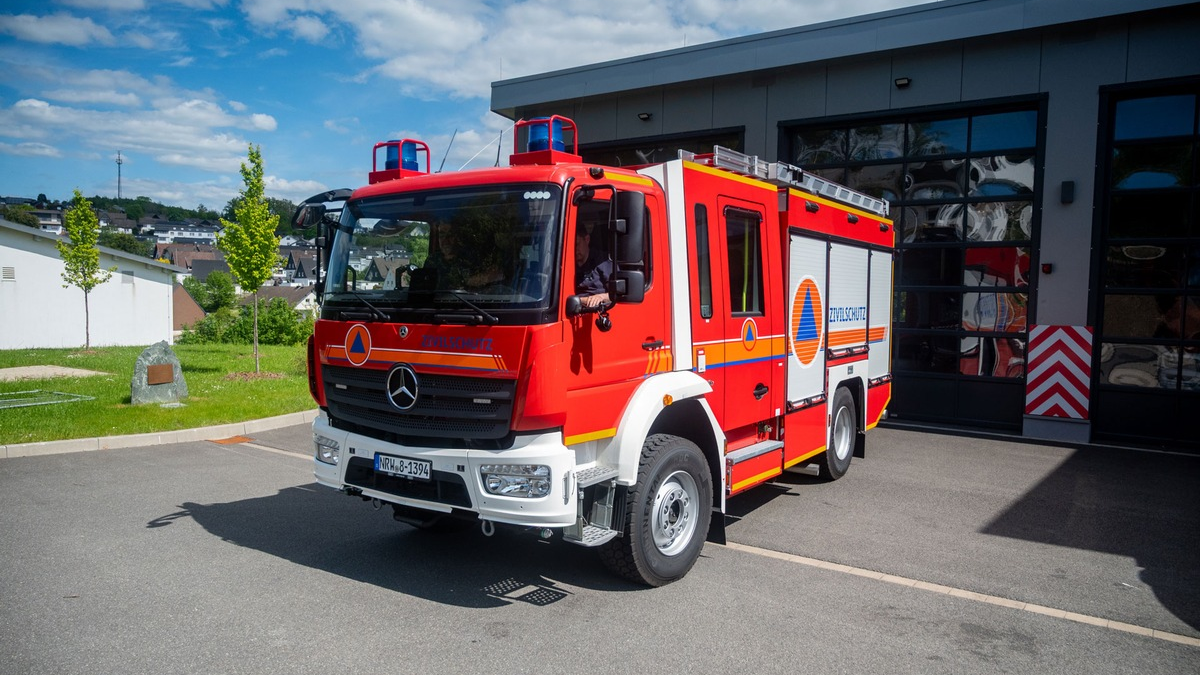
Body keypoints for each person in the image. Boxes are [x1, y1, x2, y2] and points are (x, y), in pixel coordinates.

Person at [574, 228, 611, 308]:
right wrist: (583, 300)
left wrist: (601, 297)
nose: (574, 249)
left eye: (576, 244)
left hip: (598, 311)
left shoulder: (603, 262)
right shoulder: (565, 266)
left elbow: (617, 295)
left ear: (587, 239)